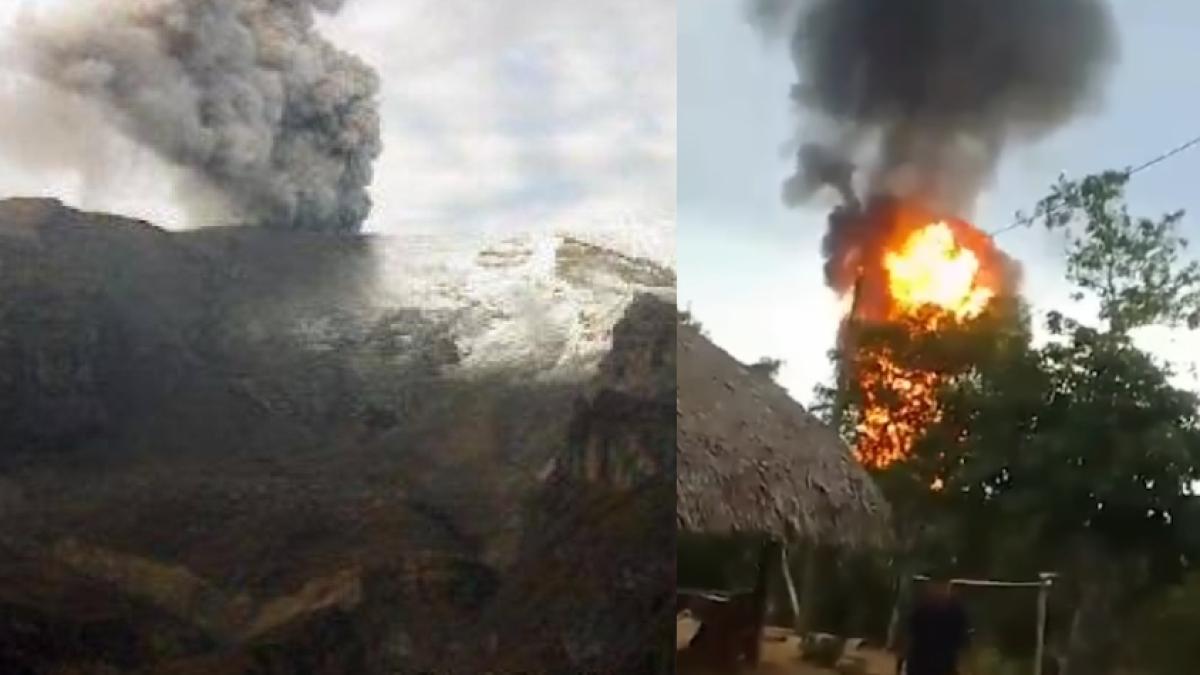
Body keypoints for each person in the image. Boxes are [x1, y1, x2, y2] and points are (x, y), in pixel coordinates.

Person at [896, 574, 971, 675]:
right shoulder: (924, 608)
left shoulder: (924, 607)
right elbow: (909, 636)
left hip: (927, 665)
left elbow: (909, 637)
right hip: (926, 665)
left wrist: (900, 662)